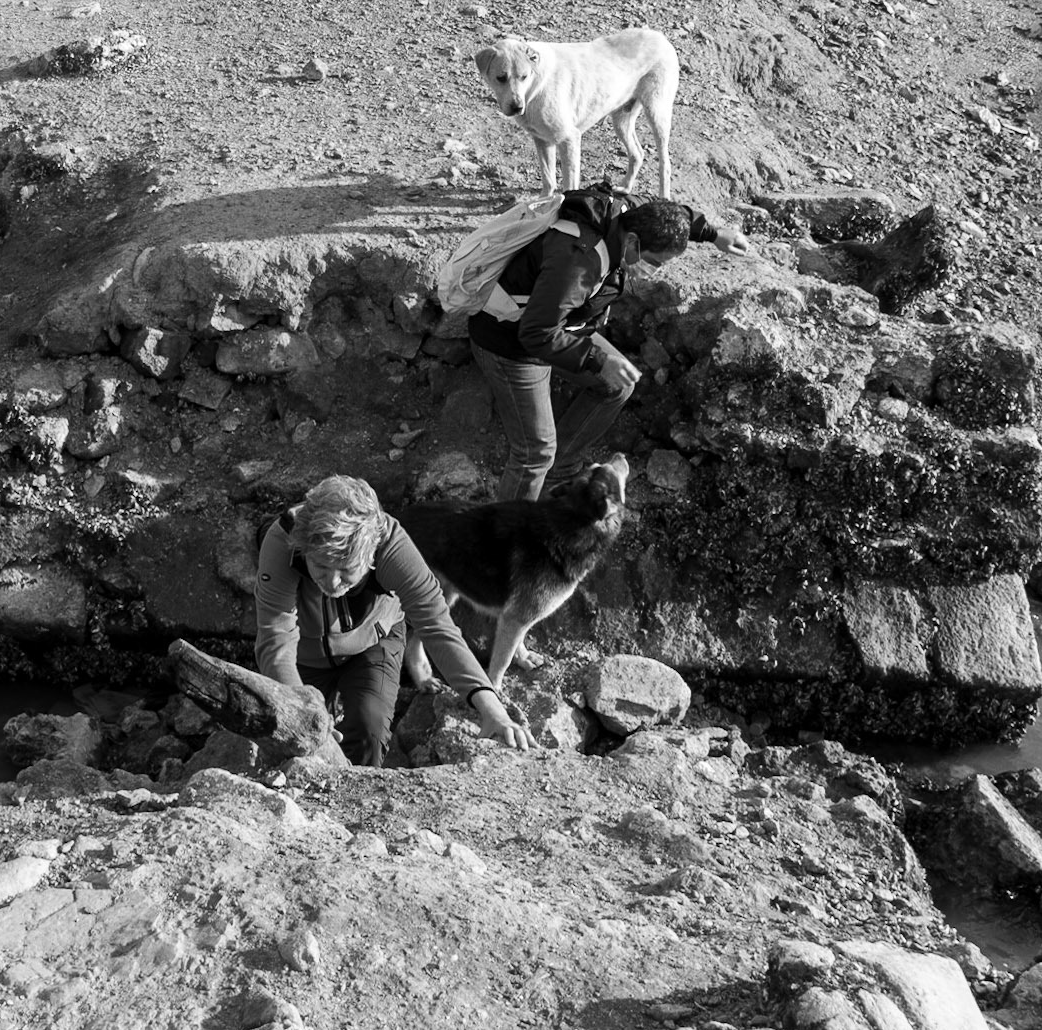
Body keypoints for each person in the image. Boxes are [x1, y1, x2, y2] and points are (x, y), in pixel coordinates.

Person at [467, 189, 751, 501]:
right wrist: (599, 360)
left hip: (564, 324)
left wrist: (713, 234)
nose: (654, 270)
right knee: (534, 453)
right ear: (631, 242)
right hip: (511, 340)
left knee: (617, 386)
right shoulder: (579, 264)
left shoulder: (633, 214)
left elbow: (676, 215)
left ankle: (560, 469)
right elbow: (537, 334)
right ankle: (508, 540)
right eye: (654, 261)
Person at [254, 474, 533, 768]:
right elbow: (276, 639)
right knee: (302, 741)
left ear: (370, 554)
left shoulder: (390, 544)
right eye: (320, 567)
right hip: (304, 652)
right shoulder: (283, 540)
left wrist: (492, 709)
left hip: (373, 643)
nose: (333, 581)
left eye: (347, 570)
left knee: (368, 733)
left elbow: (437, 626)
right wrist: (303, 709)